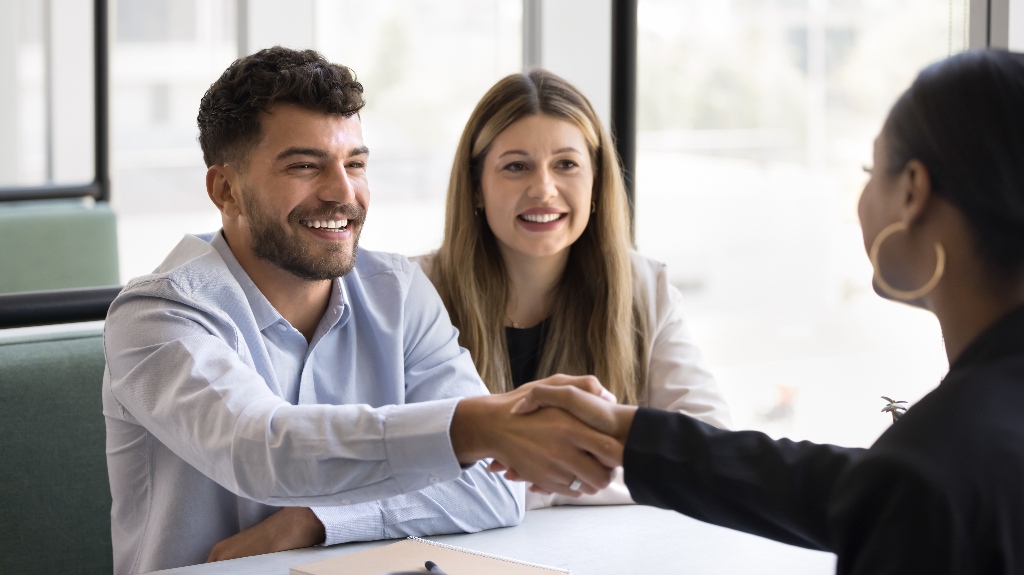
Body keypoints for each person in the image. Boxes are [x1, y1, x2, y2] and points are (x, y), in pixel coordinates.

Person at [102, 47, 618, 575]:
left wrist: (320, 521)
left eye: (355, 164)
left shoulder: (399, 291)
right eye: (304, 166)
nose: (342, 192)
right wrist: (475, 427)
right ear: (226, 189)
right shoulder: (157, 315)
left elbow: (493, 491)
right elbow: (258, 448)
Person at [510, 50, 1024, 573]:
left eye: (871, 170)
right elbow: (853, 488)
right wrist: (627, 434)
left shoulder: (934, 470)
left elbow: (898, 490)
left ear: (912, 192)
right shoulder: (968, 445)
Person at [414, 69, 731, 508]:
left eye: (566, 164)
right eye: (515, 166)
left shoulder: (646, 289)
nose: (543, 188)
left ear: (596, 183)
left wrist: (525, 482)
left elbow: (710, 451)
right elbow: (387, 468)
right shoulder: (414, 294)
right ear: (476, 188)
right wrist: (593, 470)